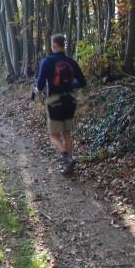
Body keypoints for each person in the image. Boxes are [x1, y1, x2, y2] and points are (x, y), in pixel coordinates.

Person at [32, 33, 86, 173]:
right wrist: (69, 86)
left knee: (53, 135)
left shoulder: (47, 61)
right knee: (66, 133)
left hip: (54, 102)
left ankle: (65, 157)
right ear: (63, 45)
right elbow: (82, 82)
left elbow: (40, 84)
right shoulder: (71, 62)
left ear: (53, 45)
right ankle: (69, 165)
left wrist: (35, 92)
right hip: (70, 101)